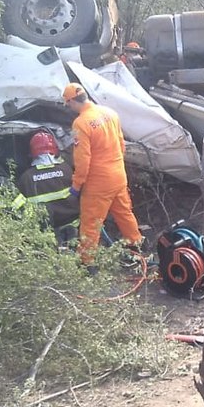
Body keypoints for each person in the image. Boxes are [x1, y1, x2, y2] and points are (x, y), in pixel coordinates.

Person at [62, 82, 143, 268]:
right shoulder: (110, 113)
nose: (69, 107)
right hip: (118, 175)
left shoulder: (80, 123)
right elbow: (121, 145)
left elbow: (83, 160)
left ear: (72, 101)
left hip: (98, 183)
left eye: (68, 104)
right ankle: (136, 246)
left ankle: (87, 262)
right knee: (124, 212)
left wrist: (76, 185)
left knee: (90, 222)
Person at [12, 130, 80, 238]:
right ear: (55, 149)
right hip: (73, 225)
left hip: (44, 232)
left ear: (32, 153)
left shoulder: (27, 178)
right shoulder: (66, 169)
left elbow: (17, 206)